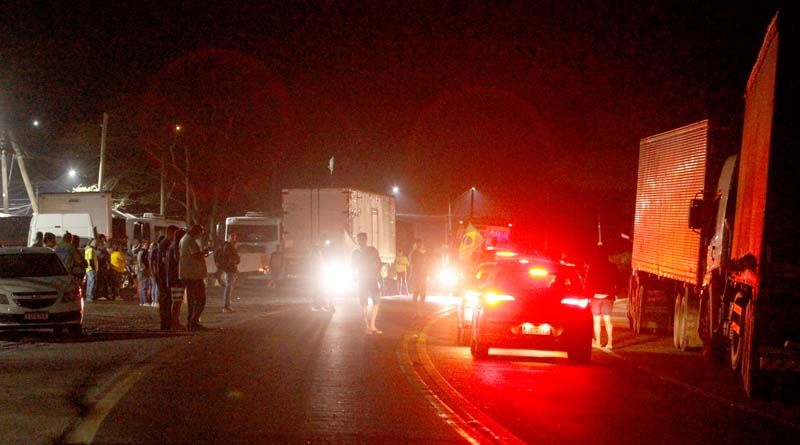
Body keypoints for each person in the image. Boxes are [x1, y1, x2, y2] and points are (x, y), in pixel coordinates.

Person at [585, 243, 617, 349]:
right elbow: (617, 281)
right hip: (607, 296)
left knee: (596, 320)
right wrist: (614, 293)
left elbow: (588, 282)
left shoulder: (592, 266)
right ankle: (610, 342)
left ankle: (598, 342)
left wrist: (588, 295)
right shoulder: (612, 266)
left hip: (595, 297)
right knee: (608, 319)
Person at [180, 225, 209, 331]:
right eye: (201, 233)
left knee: (192, 300)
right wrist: (205, 251)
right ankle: (194, 321)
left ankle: (191, 322)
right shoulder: (190, 241)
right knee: (200, 299)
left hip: (189, 274)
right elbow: (196, 255)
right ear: (197, 232)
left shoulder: (184, 239)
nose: (201, 235)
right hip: (194, 275)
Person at [352, 232, 382, 334]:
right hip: (364, 279)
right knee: (364, 302)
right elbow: (353, 266)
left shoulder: (371, 250)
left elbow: (378, 263)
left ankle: (372, 325)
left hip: (370, 278)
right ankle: (368, 326)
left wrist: (377, 273)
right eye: (360, 239)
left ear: (366, 239)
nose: (361, 241)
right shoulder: (357, 253)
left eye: (362, 239)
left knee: (376, 301)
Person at [154, 228, 178, 330]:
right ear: (171, 234)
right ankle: (165, 324)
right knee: (165, 301)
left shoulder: (165, 245)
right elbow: (163, 263)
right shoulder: (165, 245)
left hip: (164, 277)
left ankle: (166, 323)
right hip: (163, 278)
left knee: (167, 301)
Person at [166, 228, 186, 330]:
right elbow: (178, 259)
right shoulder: (175, 248)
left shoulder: (171, 247)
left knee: (177, 302)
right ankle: (175, 324)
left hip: (172, 278)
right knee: (177, 302)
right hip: (175, 278)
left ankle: (176, 322)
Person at [217, 232, 240, 313]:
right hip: (229, 269)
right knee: (229, 287)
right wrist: (234, 260)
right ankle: (226, 306)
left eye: (235, 236)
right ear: (228, 237)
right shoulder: (228, 246)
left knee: (229, 287)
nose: (234, 238)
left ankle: (227, 305)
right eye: (232, 236)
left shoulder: (229, 246)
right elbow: (229, 258)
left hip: (230, 269)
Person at [409, 238, 430, 317]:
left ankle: (418, 312)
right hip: (418, 275)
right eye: (418, 244)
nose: (420, 245)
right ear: (416, 244)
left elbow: (425, 264)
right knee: (418, 293)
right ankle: (418, 312)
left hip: (420, 275)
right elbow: (416, 265)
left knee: (419, 294)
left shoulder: (420, 253)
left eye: (420, 244)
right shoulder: (415, 253)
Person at [149, 236, 165, 308]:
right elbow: (153, 262)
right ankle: (155, 301)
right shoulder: (158, 250)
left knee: (154, 286)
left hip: (154, 270)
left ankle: (153, 301)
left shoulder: (154, 250)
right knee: (156, 287)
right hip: (156, 271)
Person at [96, 234, 111, 301]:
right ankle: (100, 295)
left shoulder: (101, 247)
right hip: (101, 267)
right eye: (103, 239)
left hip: (103, 267)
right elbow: (102, 256)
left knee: (104, 281)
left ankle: (104, 294)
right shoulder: (100, 247)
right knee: (101, 281)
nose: (104, 240)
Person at [136, 240, 151, 306]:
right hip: (143, 271)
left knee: (142, 286)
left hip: (142, 271)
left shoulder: (143, 252)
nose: (148, 245)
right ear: (143, 244)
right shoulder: (142, 252)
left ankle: (142, 301)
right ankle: (144, 301)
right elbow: (140, 262)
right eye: (146, 244)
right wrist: (143, 268)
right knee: (144, 286)